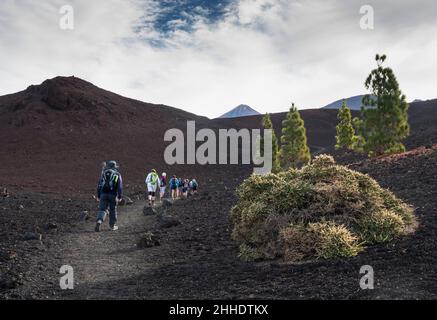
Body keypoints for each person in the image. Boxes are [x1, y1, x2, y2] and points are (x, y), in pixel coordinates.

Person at [95, 160, 123, 232]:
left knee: (102, 209)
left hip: (103, 194)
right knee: (112, 209)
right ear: (115, 167)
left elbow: (99, 185)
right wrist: (119, 196)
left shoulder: (103, 173)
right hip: (113, 195)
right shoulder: (117, 174)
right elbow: (119, 186)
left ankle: (99, 221)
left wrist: (98, 195)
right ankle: (112, 226)